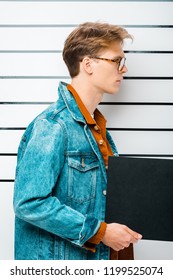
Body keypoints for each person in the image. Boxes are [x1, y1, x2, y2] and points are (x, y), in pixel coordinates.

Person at [13, 22, 142, 260]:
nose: (123, 70)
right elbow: (29, 203)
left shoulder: (98, 130)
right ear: (88, 64)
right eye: (116, 61)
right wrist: (100, 233)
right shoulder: (53, 125)